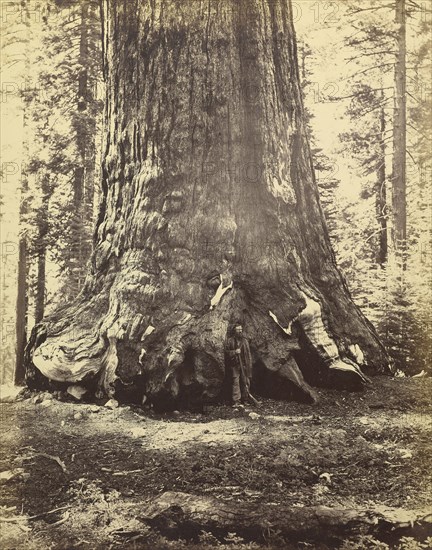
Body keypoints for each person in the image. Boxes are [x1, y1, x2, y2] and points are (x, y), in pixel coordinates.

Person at [224, 323, 253, 407]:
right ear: (234, 331)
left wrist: (249, 365)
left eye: (241, 329)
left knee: (246, 382)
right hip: (235, 365)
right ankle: (236, 401)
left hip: (244, 365)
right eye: (238, 330)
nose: (240, 331)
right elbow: (226, 353)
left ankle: (246, 399)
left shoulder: (245, 341)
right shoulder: (230, 341)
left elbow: (248, 354)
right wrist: (234, 352)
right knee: (236, 382)